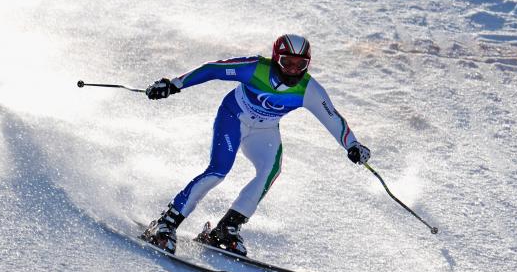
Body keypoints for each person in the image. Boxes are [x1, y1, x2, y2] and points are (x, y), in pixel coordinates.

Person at [141, 34, 370, 256]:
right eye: (286, 63)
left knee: (270, 171)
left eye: (300, 64)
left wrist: (353, 144)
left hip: (264, 130)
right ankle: (166, 222)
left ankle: (226, 228)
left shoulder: (308, 90)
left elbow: (333, 119)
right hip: (233, 117)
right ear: (275, 58)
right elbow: (213, 69)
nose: (292, 70)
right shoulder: (254, 68)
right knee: (218, 171)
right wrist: (174, 84)